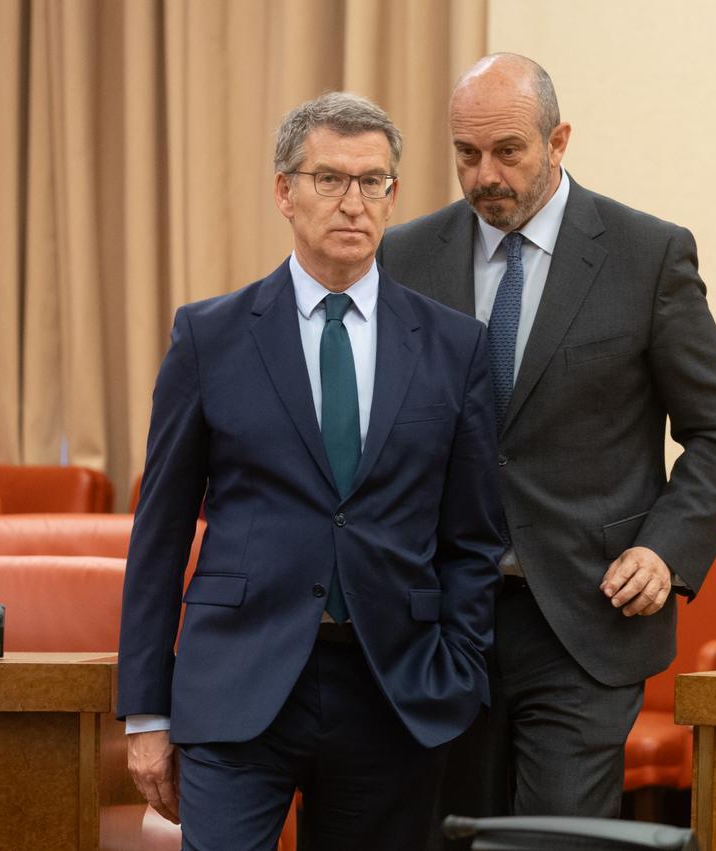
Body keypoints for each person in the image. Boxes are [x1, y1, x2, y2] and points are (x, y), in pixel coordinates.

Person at [378, 53, 716, 828]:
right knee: (451, 834)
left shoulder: (646, 254)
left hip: (586, 618)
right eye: (465, 154)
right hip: (442, 620)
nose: (485, 174)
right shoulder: (405, 257)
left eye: (508, 151)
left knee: (556, 838)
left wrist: (665, 550)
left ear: (558, 142)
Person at [116, 91, 504, 851]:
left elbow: (473, 538)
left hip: (396, 688)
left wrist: (456, 668)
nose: (353, 202)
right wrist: (147, 713)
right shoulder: (210, 337)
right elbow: (159, 533)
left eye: (374, 182)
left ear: (393, 198)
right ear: (284, 192)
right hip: (238, 680)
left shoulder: (455, 348)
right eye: (330, 179)